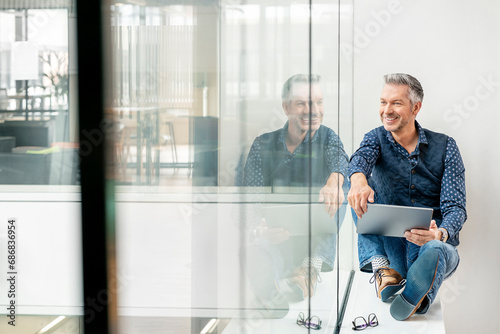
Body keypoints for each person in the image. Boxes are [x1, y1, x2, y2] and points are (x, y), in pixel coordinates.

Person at [347, 73, 466, 321]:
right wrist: (357, 179)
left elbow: (456, 207)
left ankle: (418, 295)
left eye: (396, 103)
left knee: (437, 250)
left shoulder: (446, 146)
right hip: (393, 250)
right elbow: (360, 159)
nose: (386, 110)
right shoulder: (375, 138)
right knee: (357, 187)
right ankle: (383, 269)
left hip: (432, 245)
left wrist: (439, 233)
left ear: (415, 108)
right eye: (383, 102)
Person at [243, 74, 349, 317]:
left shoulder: (328, 137)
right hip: (277, 239)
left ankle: (306, 271)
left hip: (315, 242)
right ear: (286, 107)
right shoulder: (262, 145)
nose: (312, 110)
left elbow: (341, 159)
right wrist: (259, 230)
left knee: (344, 187)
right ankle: (273, 292)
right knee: (259, 250)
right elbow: (249, 200)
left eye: (318, 102)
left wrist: (336, 177)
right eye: (301, 103)